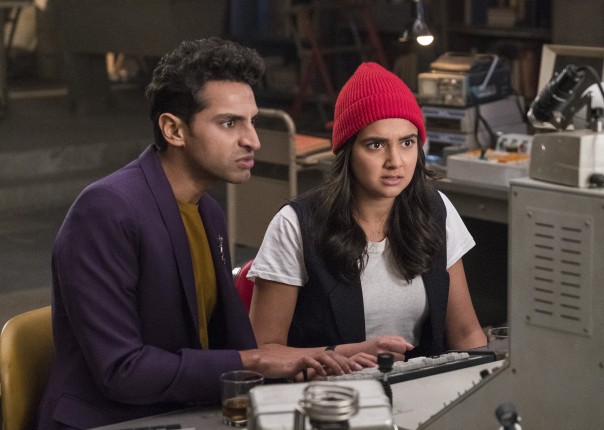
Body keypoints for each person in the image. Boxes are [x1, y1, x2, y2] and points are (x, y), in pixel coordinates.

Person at [36, 37, 361, 430]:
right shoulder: (106, 211)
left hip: (185, 413)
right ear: (174, 129)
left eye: (252, 121)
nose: (253, 140)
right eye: (229, 123)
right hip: (110, 421)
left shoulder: (208, 211)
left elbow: (226, 344)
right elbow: (122, 370)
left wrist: (335, 354)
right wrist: (256, 361)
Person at [248, 62, 487, 364]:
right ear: (347, 151)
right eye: (376, 145)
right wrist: (338, 357)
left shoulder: (436, 209)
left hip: (422, 386)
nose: (395, 161)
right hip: (331, 390)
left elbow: (466, 334)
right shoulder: (296, 224)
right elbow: (262, 352)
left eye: (407, 142)